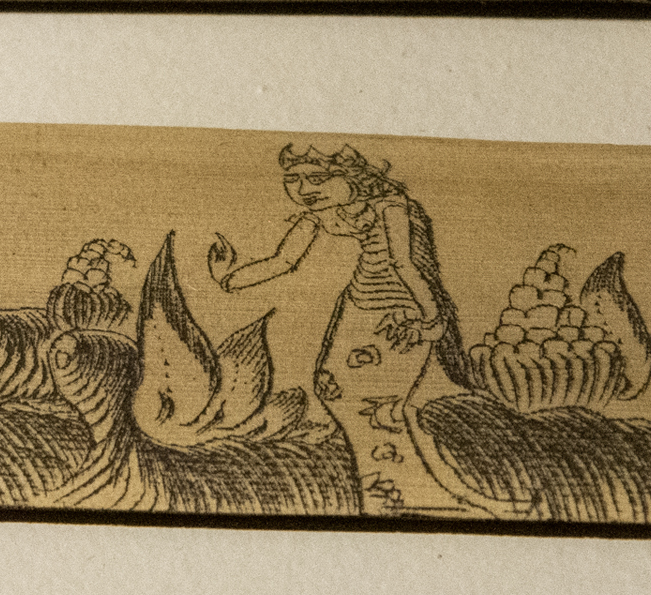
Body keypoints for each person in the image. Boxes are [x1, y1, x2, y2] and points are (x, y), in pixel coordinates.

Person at [207, 142, 493, 517]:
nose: (304, 189)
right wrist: (229, 279)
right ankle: (384, 489)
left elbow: (405, 265)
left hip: (399, 314)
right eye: (293, 179)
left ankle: (405, 493)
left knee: (377, 405)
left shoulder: (390, 205)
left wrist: (431, 322)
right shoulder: (319, 214)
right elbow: (284, 260)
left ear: (354, 176)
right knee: (334, 388)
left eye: (317, 177)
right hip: (358, 305)